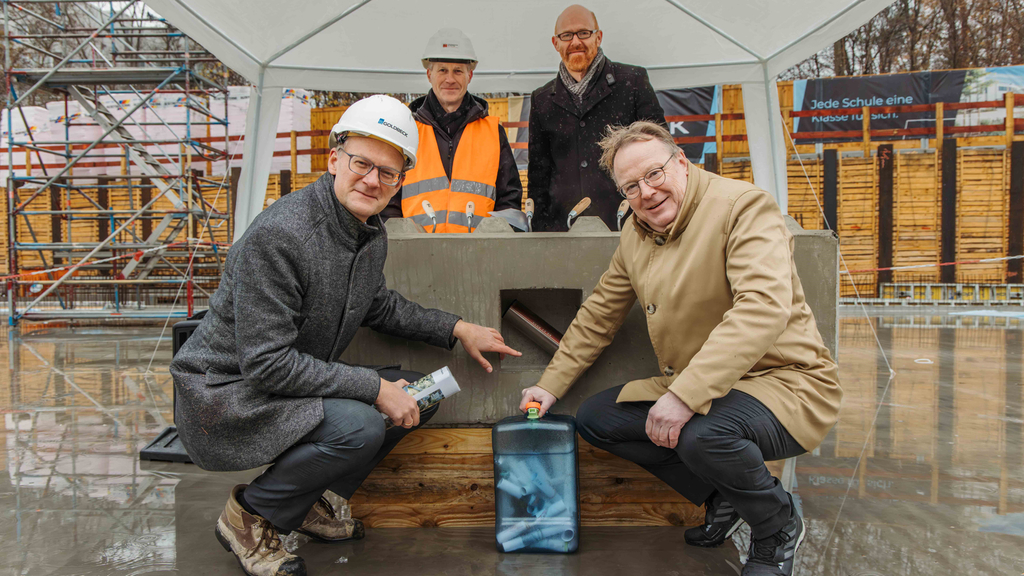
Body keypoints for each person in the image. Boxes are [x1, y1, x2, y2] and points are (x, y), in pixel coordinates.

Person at [170, 95, 520, 576]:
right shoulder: (282, 236)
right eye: (361, 163)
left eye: (388, 172)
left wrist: (458, 329)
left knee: (426, 391)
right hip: (229, 394)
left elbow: (375, 303)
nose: (373, 180)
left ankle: (310, 500)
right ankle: (250, 516)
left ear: (400, 180)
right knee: (364, 424)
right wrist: (376, 389)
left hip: (282, 382)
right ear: (334, 159)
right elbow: (267, 363)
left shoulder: (366, 230)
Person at [519, 121, 842, 576]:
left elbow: (763, 308)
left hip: (783, 383)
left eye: (655, 174)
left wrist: (684, 396)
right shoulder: (635, 232)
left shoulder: (743, 207)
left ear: (682, 163)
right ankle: (723, 498)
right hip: (706, 387)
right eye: (631, 186)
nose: (647, 192)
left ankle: (776, 524)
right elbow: (599, 315)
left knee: (700, 435)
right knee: (597, 419)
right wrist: (549, 386)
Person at [527, 4, 667, 231]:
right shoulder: (542, 100)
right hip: (564, 230)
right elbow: (538, 176)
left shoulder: (632, 82)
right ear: (556, 43)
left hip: (630, 225)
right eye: (566, 35)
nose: (575, 42)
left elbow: (660, 153)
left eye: (584, 33)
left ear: (598, 37)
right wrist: (542, 233)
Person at [383, 27, 522, 233]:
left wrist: (495, 243)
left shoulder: (493, 133)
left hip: (480, 256)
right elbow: (388, 197)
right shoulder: (407, 131)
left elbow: (509, 200)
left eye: (458, 70)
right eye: (442, 70)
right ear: (429, 74)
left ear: (470, 75)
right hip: (416, 257)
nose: (450, 79)